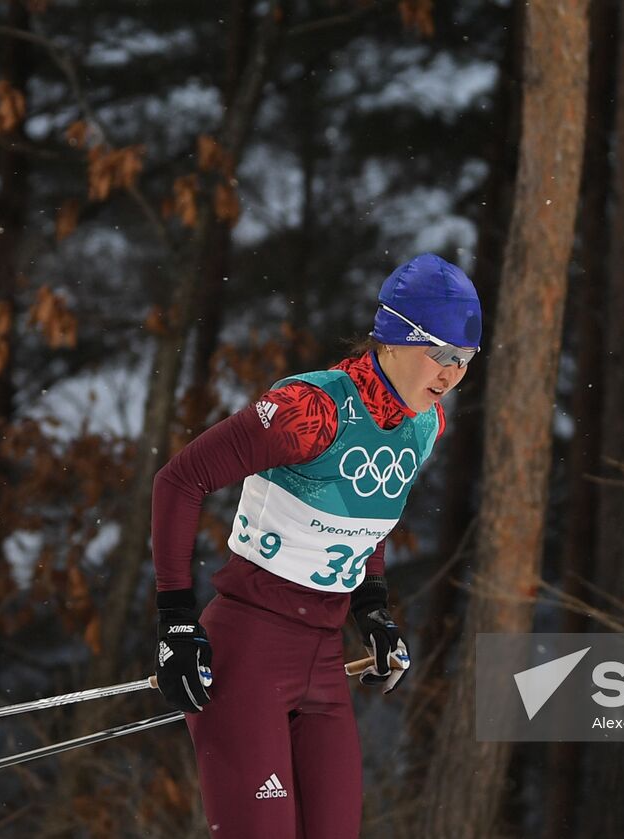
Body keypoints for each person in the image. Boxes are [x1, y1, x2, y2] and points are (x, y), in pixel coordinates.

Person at [150, 253, 482, 838]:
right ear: (395, 338)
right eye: (441, 354)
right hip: (247, 649)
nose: (451, 374)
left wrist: (372, 607)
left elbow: (366, 520)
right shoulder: (313, 410)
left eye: (465, 359)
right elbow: (179, 480)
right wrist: (176, 623)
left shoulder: (424, 425)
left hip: (323, 658)